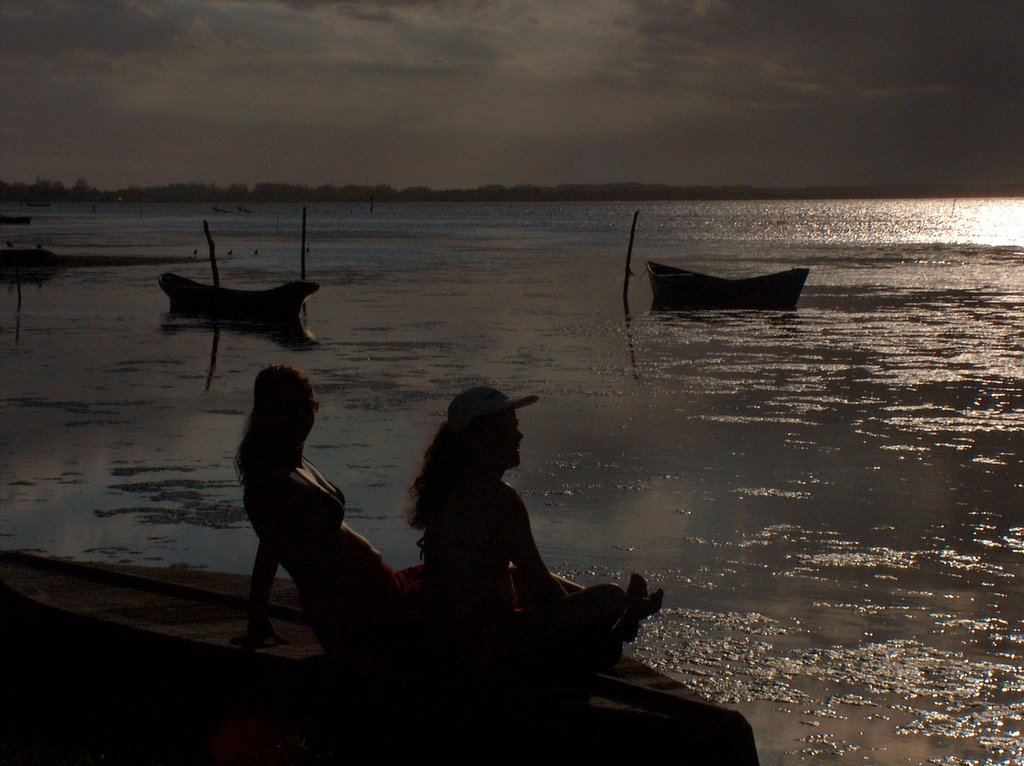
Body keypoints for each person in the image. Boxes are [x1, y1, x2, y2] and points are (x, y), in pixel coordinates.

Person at [409, 385, 663, 676]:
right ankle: (621, 616)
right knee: (609, 599)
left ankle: (623, 615)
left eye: (515, 427)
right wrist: (588, 615)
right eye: (507, 428)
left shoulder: (449, 488)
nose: (518, 436)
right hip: (483, 646)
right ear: (477, 440)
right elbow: (542, 587)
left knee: (519, 577)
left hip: (449, 637)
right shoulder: (499, 500)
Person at [235, 365, 422, 671]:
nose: (299, 417)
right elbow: (276, 548)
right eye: (286, 409)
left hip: (375, 592)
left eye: (305, 407)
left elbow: (271, 543)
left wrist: (258, 613)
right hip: (363, 610)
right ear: (265, 413)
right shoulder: (270, 481)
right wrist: (258, 616)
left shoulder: (291, 458)